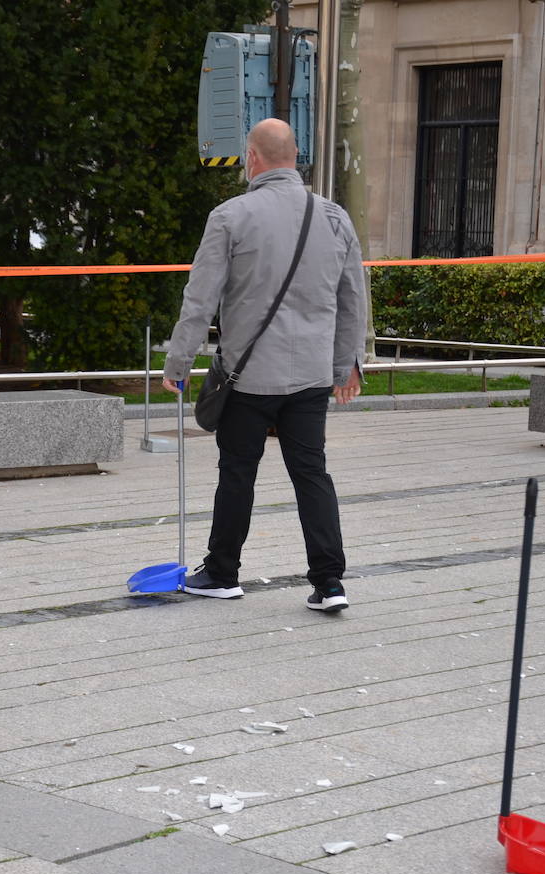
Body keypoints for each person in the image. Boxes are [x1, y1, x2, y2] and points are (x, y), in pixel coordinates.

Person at [162, 118, 367, 614]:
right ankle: (329, 582)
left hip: (248, 375)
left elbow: (200, 298)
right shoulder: (336, 218)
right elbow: (353, 300)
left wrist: (179, 361)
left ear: (252, 159)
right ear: (295, 157)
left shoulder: (231, 216)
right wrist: (346, 367)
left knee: (237, 472)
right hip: (312, 376)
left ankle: (222, 572)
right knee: (311, 473)